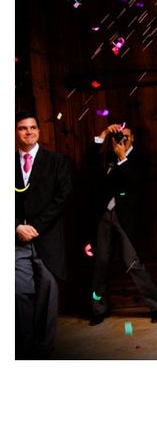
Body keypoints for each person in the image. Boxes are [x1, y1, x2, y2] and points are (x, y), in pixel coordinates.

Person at [88, 123, 157, 325]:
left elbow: (134, 183)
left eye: (126, 136)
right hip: (104, 214)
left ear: (133, 138)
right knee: (101, 262)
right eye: (119, 136)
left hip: (127, 217)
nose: (122, 140)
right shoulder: (108, 154)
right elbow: (90, 161)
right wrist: (104, 134)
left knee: (132, 263)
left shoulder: (140, 157)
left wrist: (123, 157)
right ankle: (99, 308)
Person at [15, 111, 71, 358]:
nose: (28, 132)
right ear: (16, 132)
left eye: (33, 127)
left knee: (48, 291)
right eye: (23, 128)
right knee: (18, 293)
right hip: (15, 240)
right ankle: (24, 349)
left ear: (39, 131)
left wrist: (34, 226)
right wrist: (16, 226)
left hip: (46, 239)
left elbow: (62, 197)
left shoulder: (56, 160)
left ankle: (44, 349)